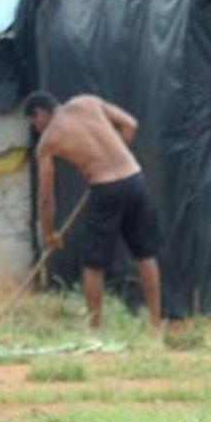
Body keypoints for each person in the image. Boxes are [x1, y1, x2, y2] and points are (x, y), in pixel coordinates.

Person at [24, 91, 162, 329]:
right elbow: (130, 125)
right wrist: (114, 157)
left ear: (40, 113)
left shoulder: (48, 141)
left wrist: (48, 233)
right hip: (134, 179)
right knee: (145, 255)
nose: (36, 128)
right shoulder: (87, 102)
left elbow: (46, 196)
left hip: (105, 189)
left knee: (93, 264)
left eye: (34, 122)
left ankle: (95, 330)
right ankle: (155, 323)